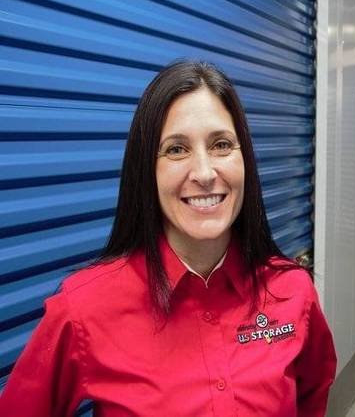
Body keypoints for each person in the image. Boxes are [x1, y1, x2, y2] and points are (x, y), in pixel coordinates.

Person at [0, 61, 337, 416]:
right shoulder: (83, 308)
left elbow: (313, 393)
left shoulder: (292, 290)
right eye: (176, 149)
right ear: (147, 169)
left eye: (221, 144)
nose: (204, 173)